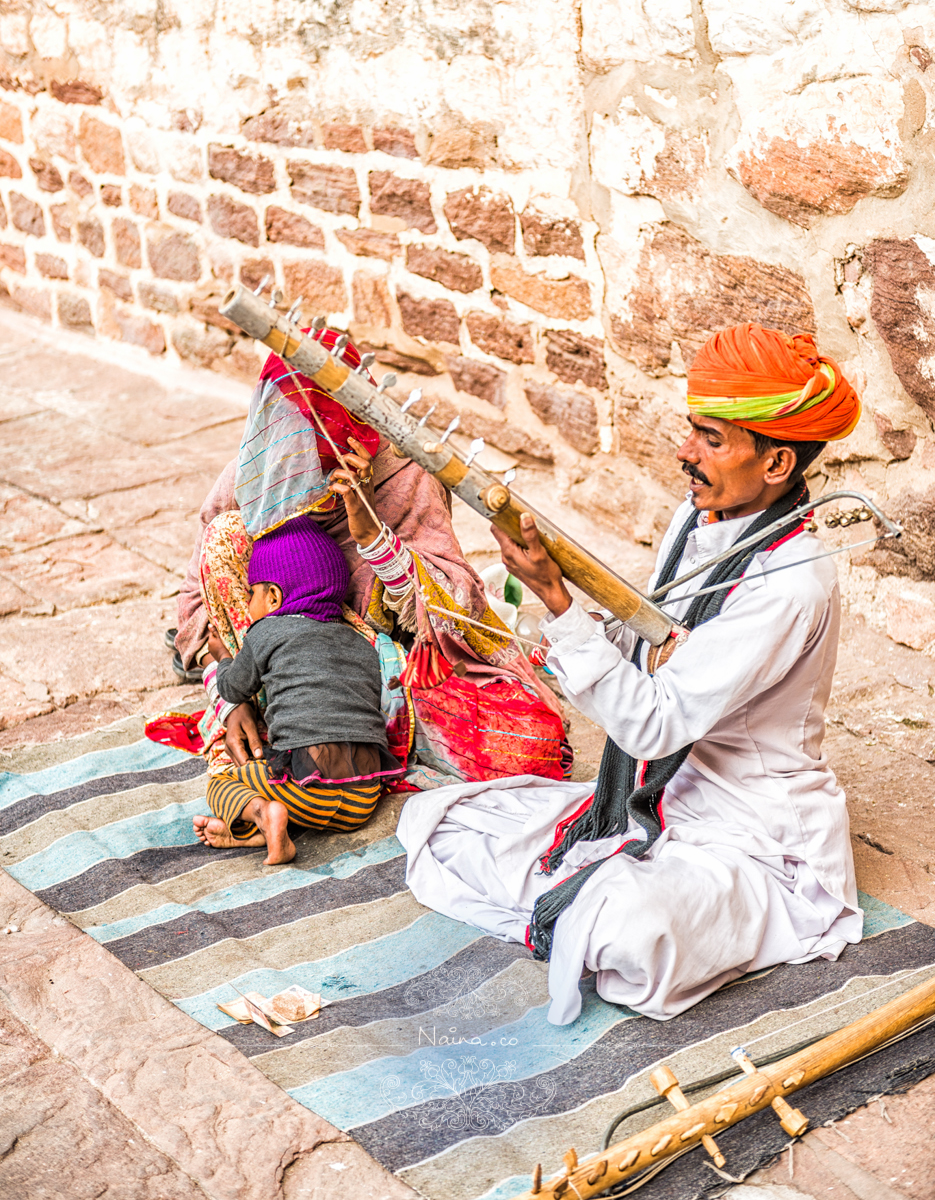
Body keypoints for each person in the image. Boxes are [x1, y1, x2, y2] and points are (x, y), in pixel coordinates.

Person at [398, 324, 865, 1026]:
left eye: (710, 439)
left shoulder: (791, 582)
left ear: (774, 466)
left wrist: (559, 605)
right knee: (448, 824)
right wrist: (563, 620)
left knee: (624, 932)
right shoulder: (698, 512)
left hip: (753, 833)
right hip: (663, 792)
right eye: (692, 432)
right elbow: (648, 631)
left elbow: (653, 719)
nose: (686, 453)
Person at [175, 327, 568, 784]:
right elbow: (198, 603)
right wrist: (228, 699)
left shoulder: (407, 474)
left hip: (384, 672)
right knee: (224, 535)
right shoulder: (257, 472)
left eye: (316, 454)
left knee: (530, 746)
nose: (301, 465)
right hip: (279, 671)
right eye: (292, 446)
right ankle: (274, 721)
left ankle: (326, 741)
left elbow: (452, 607)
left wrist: (370, 534)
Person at [193, 516, 398, 864]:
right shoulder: (361, 643)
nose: (248, 603)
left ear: (273, 597)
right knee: (310, 801)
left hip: (305, 787)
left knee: (223, 782)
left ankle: (262, 816)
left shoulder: (266, 632)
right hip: (365, 795)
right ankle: (265, 833)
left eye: (251, 594)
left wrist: (222, 657)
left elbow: (232, 688)